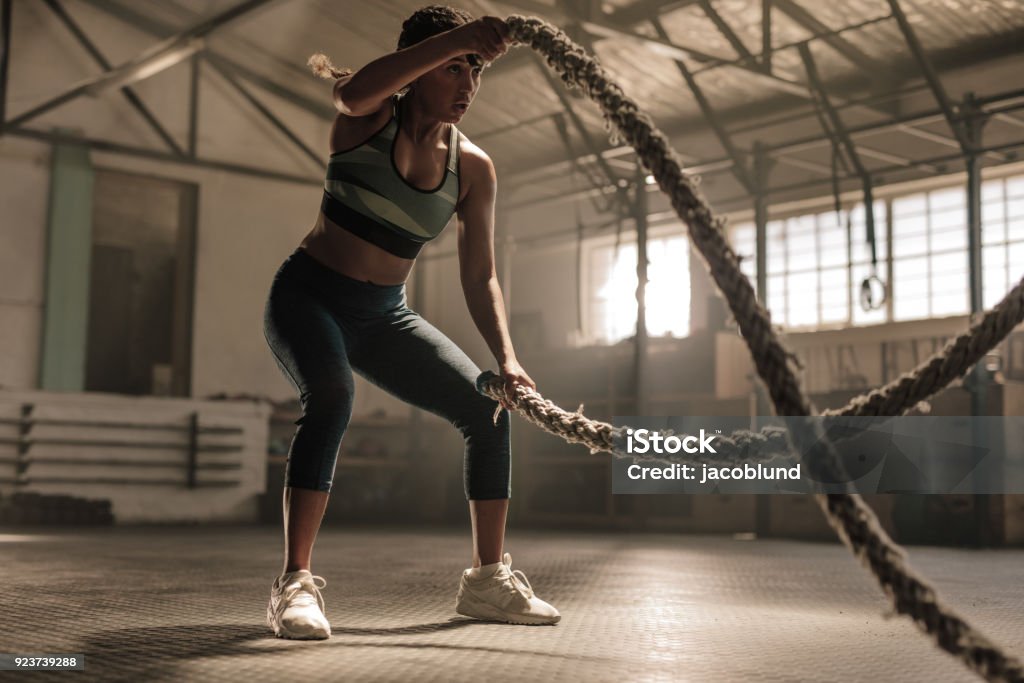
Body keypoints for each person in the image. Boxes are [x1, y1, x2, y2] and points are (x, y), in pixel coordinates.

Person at [262, 5, 560, 639]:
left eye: (474, 72)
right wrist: (459, 36)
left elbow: (480, 276)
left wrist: (506, 358)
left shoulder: (473, 169)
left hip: (382, 317)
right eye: (452, 68)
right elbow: (351, 89)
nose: (466, 86)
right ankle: (294, 586)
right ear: (419, 68)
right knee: (334, 396)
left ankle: (486, 583)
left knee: (487, 408)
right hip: (307, 297)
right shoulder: (366, 122)